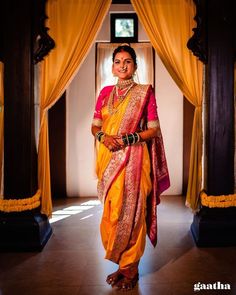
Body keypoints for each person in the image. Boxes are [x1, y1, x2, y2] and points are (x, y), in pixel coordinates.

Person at [91, 44, 170, 291]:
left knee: (133, 213)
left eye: (127, 61)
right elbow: (95, 126)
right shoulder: (104, 93)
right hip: (108, 158)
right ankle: (122, 265)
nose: (122, 65)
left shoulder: (145, 92)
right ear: (112, 66)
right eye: (118, 61)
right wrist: (104, 137)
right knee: (113, 213)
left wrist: (126, 139)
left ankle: (130, 269)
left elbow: (153, 129)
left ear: (135, 66)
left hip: (135, 159)